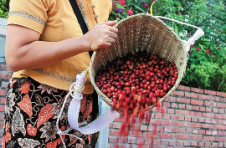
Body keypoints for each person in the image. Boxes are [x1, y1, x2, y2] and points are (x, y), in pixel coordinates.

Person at [2, 0, 118, 147]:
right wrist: (85, 41)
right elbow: (16, 56)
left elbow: (92, 53)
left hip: (82, 112)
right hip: (36, 105)